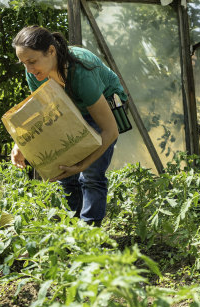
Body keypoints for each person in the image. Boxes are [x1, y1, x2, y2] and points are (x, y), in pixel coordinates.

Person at [10, 25, 127, 226]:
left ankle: (90, 233)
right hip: (70, 107)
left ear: (51, 51)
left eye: (32, 61)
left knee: (91, 175)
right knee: (65, 172)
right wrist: (20, 144)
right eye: (23, 63)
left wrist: (83, 164)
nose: (28, 69)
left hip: (104, 105)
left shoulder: (81, 72)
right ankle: (74, 230)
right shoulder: (34, 74)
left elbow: (111, 131)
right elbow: (43, 111)